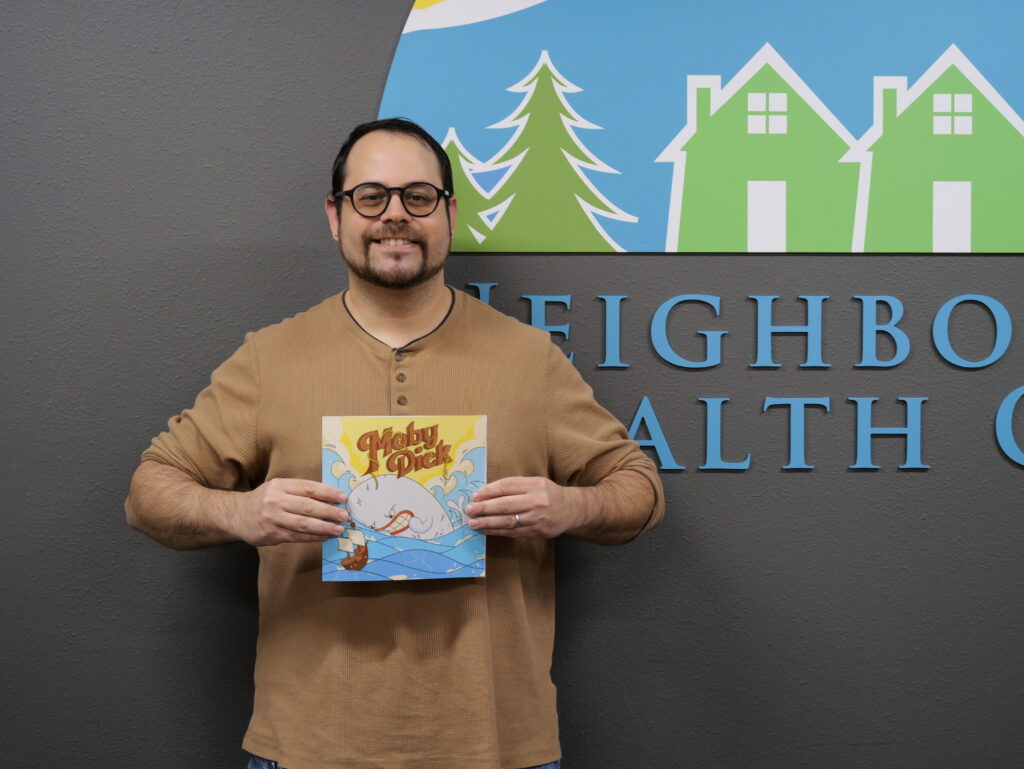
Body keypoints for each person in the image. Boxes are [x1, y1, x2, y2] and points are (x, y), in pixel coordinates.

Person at [125, 117, 664, 769]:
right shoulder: (269, 359)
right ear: (335, 214)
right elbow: (148, 491)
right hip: (307, 748)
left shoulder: (527, 358)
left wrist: (567, 507)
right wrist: (241, 512)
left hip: (497, 746)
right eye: (370, 196)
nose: (395, 216)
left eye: (418, 196)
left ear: (449, 212)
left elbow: (639, 489)